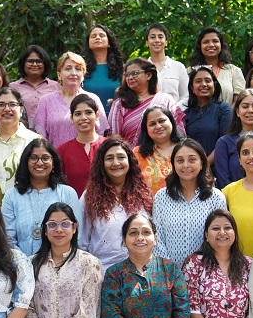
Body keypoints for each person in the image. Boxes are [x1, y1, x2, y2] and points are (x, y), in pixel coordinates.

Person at [0, 138, 82, 256]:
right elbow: (7, 239)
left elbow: (77, 235)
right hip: (20, 266)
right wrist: (25, 263)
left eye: (45, 158)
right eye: (33, 158)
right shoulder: (11, 196)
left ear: (53, 163)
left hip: (60, 265)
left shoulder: (67, 194)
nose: (39, 163)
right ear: (26, 162)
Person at [81, 136, 153, 268]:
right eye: (109, 158)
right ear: (101, 163)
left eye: (121, 157)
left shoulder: (143, 193)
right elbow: (81, 240)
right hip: (103, 271)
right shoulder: (89, 196)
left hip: (141, 271)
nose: (116, 163)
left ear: (130, 161)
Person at [154, 138, 227, 264]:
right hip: (169, 275)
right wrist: (170, 271)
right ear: (173, 164)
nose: (186, 165)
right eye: (180, 160)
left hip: (206, 273)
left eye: (192, 160)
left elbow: (220, 237)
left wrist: (201, 271)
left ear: (202, 163)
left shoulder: (216, 197)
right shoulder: (161, 197)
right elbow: (157, 238)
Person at [0, 87, 41, 200]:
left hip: (25, 210)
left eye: (12, 104)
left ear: (21, 110)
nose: (7, 109)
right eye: (1, 105)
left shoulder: (36, 142)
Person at [32, 51, 108, 151]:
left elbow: (101, 134)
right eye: (68, 69)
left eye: (78, 69)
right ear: (59, 75)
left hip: (89, 160)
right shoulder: (46, 101)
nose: (73, 73)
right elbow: (40, 136)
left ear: (83, 75)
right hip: (56, 160)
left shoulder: (93, 99)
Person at [56, 92, 106, 195]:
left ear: (97, 115)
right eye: (78, 114)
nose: (83, 117)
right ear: (72, 118)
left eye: (88, 112)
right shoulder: (62, 151)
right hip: (72, 207)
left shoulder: (108, 146)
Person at [183, 65, 232, 156]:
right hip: (190, 166)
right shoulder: (185, 114)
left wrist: (205, 164)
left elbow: (226, 141)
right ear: (192, 88)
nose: (204, 84)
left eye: (207, 80)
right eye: (198, 81)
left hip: (218, 165)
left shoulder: (224, 109)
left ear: (214, 85)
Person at [191, 27, 246, 103]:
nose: (211, 45)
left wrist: (226, 114)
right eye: (206, 42)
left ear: (221, 45)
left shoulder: (234, 71)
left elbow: (239, 101)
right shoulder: (190, 71)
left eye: (215, 41)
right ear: (200, 46)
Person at [135, 105, 183, 191]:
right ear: (146, 129)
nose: (158, 126)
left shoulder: (187, 148)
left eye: (162, 121)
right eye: (152, 124)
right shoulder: (137, 153)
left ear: (171, 121)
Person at [10, 45, 58, 125]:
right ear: (23, 63)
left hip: (49, 134)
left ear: (45, 64)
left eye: (39, 61)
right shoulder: (12, 87)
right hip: (21, 133)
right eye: (30, 61)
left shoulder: (56, 87)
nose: (35, 64)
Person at [82, 24, 124, 106]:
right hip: (89, 116)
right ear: (88, 44)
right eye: (93, 36)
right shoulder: (81, 68)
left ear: (109, 43)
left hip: (116, 115)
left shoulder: (121, 68)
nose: (98, 38)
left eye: (102, 35)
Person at [145, 23, 188, 102]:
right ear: (147, 43)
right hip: (148, 113)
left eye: (160, 37)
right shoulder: (142, 68)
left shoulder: (178, 67)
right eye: (152, 37)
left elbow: (186, 96)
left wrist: (174, 110)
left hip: (174, 113)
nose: (157, 40)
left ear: (166, 42)